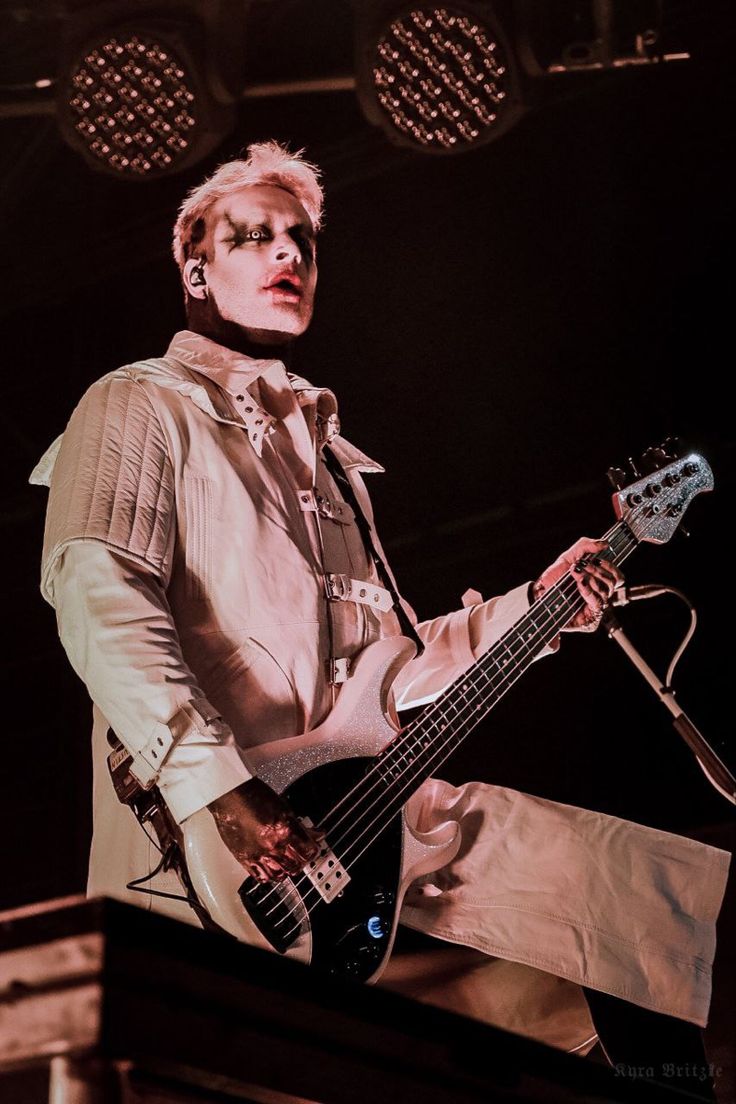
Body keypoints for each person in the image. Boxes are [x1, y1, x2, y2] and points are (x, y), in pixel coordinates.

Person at [32, 143, 729, 1085]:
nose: (289, 254)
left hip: (363, 820)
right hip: (212, 840)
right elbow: (97, 592)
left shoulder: (336, 470)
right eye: (254, 236)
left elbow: (389, 670)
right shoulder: (139, 404)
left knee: (633, 896)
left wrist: (544, 603)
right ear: (194, 264)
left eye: (304, 242)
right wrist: (219, 789)